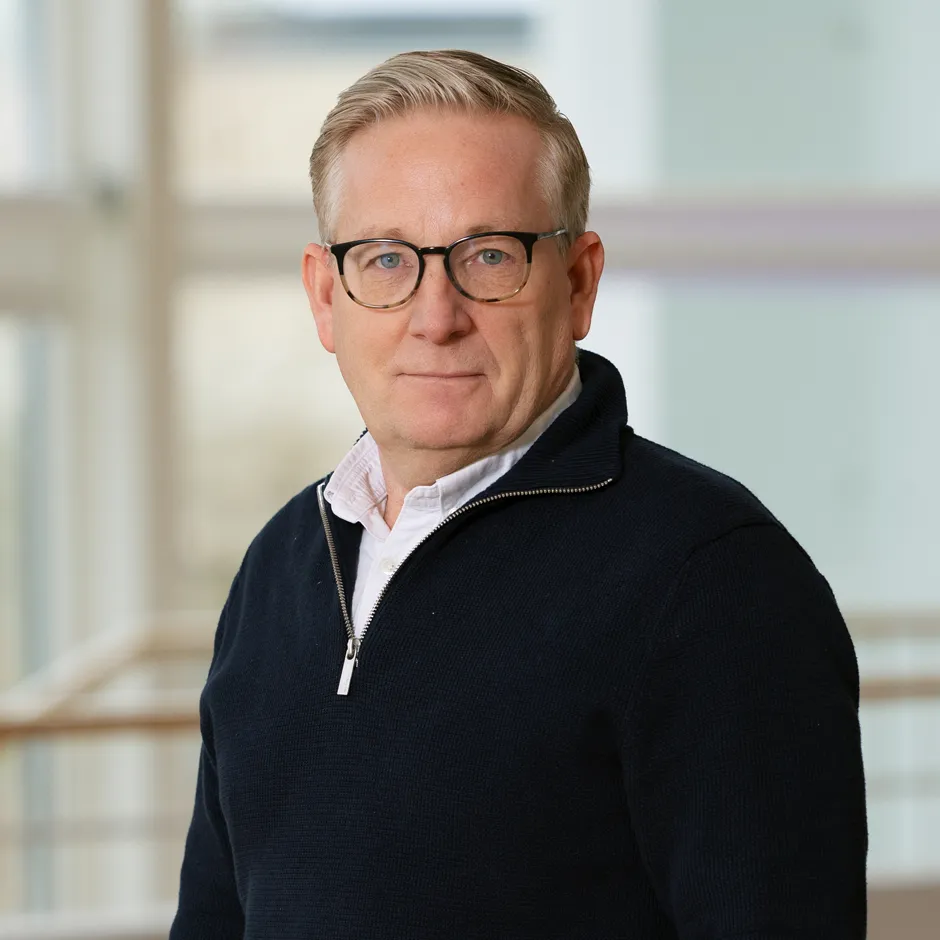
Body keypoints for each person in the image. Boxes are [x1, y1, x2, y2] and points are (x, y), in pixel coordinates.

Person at [170, 49, 867, 939]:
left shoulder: (714, 582)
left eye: (490, 256)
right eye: (385, 260)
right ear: (323, 294)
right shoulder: (280, 565)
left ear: (577, 283)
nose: (436, 316)